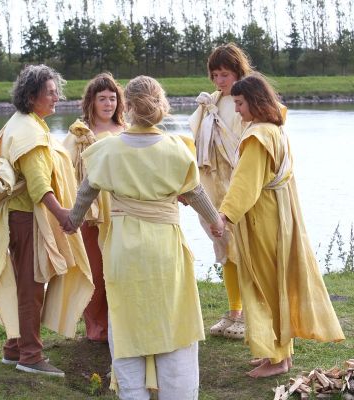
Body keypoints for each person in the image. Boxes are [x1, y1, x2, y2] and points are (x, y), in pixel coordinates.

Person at [63, 75, 223, 399]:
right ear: (161, 105)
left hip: (124, 248)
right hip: (165, 247)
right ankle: (177, 391)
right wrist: (216, 222)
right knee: (173, 318)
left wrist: (72, 221)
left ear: (128, 107)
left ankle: (133, 393)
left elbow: (86, 191)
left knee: (126, 320)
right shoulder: (176, 149)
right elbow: (196, 193)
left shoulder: (107, 149)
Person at [212, 73, 345, 378]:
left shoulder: (258, 137)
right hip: (279, 214)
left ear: (255, 102)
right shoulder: (275, 129)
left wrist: (224, 216)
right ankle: (278, 352)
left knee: (266, 285)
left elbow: (245, 184)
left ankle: (277, 358)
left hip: (263, 219)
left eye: (240, 103)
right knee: (275, 282)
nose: (237, 110)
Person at [0, 64, 94, 377]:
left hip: (17, 217)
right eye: (50, 92)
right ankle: (31, 356)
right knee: (31, 286)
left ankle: (14, 348)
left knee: (23, 283)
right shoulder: (30, 132)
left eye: (56, 91)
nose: (56, 97)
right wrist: (64, 215)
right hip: (26, 218)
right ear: (31, 96)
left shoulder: (22, 123)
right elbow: (39, 186)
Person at [188, 43, 254, 339]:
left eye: (224, 74)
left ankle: (250, 313)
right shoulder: (209, 103)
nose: (219, 81)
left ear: (238, 72)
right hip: (213, 183)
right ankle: (234, 310)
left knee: (245, 249)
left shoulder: (248, 100)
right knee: (224, 248)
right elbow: (194, 142)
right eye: (214, 75)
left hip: (238, 182)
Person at [63, 73, 125, 343]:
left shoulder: (126, 130)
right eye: (102, 99)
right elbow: (65, 169)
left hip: (121, 210)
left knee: (119, 269)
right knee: (95, 271)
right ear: (91, 101)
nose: (108, 104)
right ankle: (97, 327)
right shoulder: (79, 134)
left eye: (112, 98)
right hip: (91, 213)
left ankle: (120, 324)